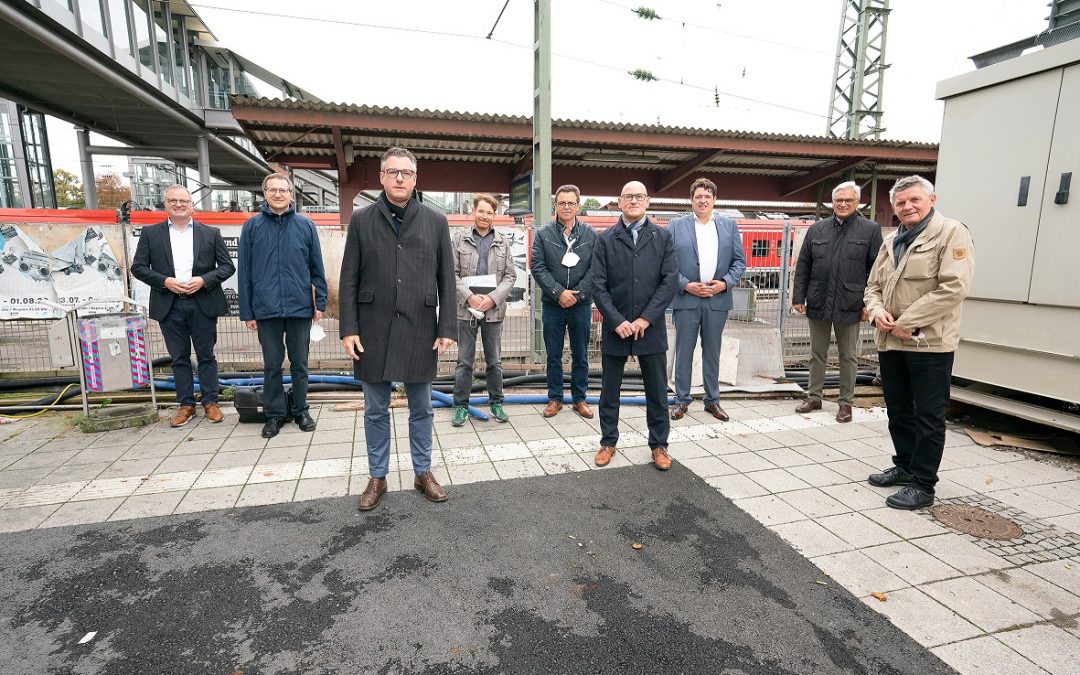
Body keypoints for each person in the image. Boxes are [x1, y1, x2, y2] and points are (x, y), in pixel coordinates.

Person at [339, 147, 456, 511]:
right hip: (372, 328)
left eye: (406, 172)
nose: (400, 178)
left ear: (416, 178)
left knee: (422, 407)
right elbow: (349, 278)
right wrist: (348, 328)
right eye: (392, 172)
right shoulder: (362, 220)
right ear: (382, 177)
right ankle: (378, 476)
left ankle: (423, 472)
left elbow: (446, 280)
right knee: (375, 408)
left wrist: (447, 326)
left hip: (421, 327)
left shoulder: (435, 221)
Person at [864, 175, 974, 510]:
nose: (907, 207)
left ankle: (923, 485)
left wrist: (906, 322)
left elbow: (954, 287)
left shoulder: (951, 233)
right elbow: (873, 287)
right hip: (891, 341)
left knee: (928, 415)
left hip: (929, 344)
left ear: (931, 200)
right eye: (900, 203)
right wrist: (877, 312)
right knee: (898, 411)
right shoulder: (891, 240)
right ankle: (904, 465)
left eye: (914, 200)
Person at [591, 181, 679, 470]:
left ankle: (659, 445)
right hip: (617, 328)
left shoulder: (663, 238)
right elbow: (598, 285)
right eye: (628, 196)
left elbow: (669, 282)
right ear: (619, 201)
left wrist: (646, 318)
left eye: (638, 196)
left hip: (650, 328)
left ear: (648, 200)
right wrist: (617, 321)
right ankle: (608, 442)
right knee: (609, 389)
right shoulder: (605, 240)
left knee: (656, 390)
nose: (633, 201)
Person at [131, 184, 234, 427]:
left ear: (192, 205)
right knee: (179, 358)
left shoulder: (210, 233)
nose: (178, 204)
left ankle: (211, 402)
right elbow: (138, 267)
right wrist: (165, 281)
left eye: (183, 201)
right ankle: (186, 405)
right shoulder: (150, 233)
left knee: (206, 355)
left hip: (202, 303)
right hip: (169, 304)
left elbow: (227, 266)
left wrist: (204, 280)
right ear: (165, 204)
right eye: (173, 200)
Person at [238, 173, 328, 439]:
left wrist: (319, 301)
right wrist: (248, 311)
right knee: (272, 364)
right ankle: (274, 414)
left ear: (291, 194)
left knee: (300, 363)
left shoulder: (305, 225)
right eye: (273, 190)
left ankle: (301, 410)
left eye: (283, 190)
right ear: (264, 193)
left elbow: (316, 267)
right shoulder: (252, 227)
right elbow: (244, 272)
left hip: (300, 307)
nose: (278, 194)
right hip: (266, 309)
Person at [791, 180, 883, 423]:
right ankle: (814, 396)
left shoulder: (870, 230)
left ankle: (845, 403)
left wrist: (868, 304)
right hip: (819, 300)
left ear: (857, 202)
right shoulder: (817, 229)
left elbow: (876, 270)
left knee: (848, 356)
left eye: (848, 200)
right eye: (838, 200)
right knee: (816, 353)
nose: (843, 204)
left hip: (850, 302)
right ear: (832, 203)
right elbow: (804, 266)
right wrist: (798, 297)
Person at [668, 177, 746, 422]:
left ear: (714, 200)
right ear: (691, 200)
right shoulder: (675, 225)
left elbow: (739, 262)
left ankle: (712, 400)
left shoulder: (728, 226)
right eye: (698, 196)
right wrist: (685, 285)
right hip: (686, 300)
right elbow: (667, 263)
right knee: (684, 352)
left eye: (707, 197)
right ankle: (681, 400)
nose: (702, 200)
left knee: (712, 352)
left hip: (717, 300)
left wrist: (724, 283)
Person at [530, 184, 597, 419]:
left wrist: (577, 295)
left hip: (581, 305)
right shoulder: (543, 234)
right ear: (555, 205)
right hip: (553, 304)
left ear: (578, 206)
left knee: (580, 354)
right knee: (553, 354)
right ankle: (555, 398)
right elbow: (537, 267)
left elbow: (595, 269)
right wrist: (559, 292)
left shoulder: (590, 234)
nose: (566, 207)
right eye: (562, 203)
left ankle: (580, 399)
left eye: (571, 203)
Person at [450, 193, 517, 426]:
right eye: (481, 211)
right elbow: (451, 273)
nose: (485, 216)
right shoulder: (459, 239)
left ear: (494, 215)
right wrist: (469, 298)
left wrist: (492, 298)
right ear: (473, 212)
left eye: (489, 212)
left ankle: (496, 402)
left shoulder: (502, 241)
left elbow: (510, 275)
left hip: (493, 311)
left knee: (494, 361)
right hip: (465, 309)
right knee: (464, 361)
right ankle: (460, 405)